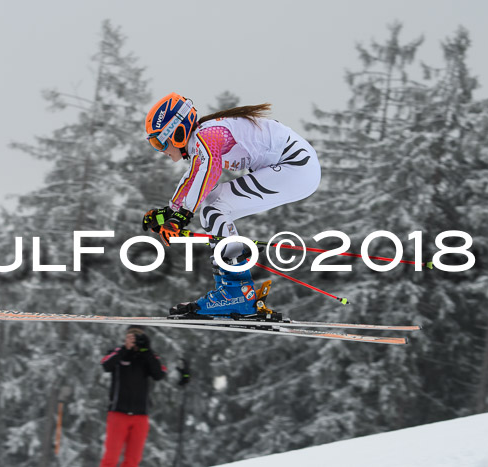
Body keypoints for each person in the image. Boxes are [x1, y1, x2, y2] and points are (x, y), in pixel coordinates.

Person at [142, 92, 321, 317]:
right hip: (296, 168)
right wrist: (171, 212)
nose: (160, 150)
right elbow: (195, 176)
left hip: (296, 167)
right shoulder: (204, 137)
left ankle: (236, 294)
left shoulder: (208, 136)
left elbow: (208, 171)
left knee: (214, 208)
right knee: (212, 204)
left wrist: (180, 215)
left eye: (159, 142)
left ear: (175, 132)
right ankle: (237, 291)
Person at [99, 326, 167, 467]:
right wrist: (125, 349)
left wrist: (146, 350)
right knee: (110, 458)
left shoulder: (148, 356)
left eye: (138, 336)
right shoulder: (117, 352)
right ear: (126, 337)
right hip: (118, 414)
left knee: (133, 460)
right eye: (131, 336)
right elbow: (106, 365)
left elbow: (159, 374)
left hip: (140, 416)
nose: (134, 339)